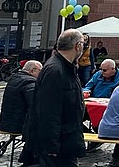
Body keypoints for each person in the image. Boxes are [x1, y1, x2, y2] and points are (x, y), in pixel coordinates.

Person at [24, 29, 87, 167]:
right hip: (57, 145)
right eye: (83, 43)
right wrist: (51, 145)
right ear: (78, 46)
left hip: (66, 140)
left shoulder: (66, 67)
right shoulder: (55, 70)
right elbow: (48, 110)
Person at [0, 60, 41, 166]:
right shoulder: (30, 82)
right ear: (32, 70)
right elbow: (35, 104)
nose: (41, 74)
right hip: (18, 125)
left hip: (7, 121)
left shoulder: (15, 78)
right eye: (40, 71)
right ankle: (30, 158)